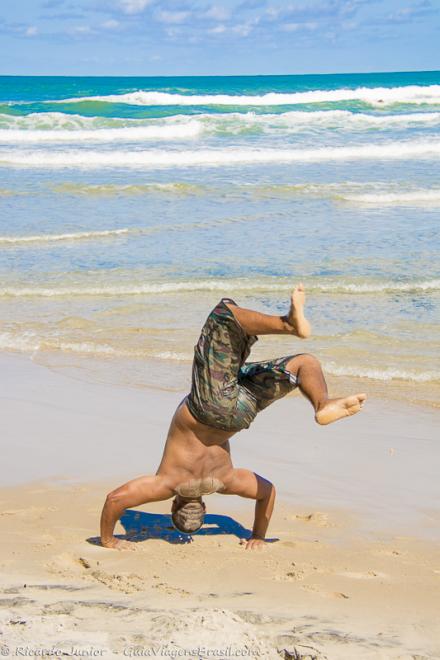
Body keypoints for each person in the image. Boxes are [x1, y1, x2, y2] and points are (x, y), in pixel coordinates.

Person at [100, 284, 366, 550]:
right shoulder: (167, 483)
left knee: (303, 364)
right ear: (173, 504)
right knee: (223, 314)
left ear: (202, 504)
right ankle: (293, 338)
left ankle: (322, 404)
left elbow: (267, 492)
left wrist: (258, 537)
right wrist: (108, 539)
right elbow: (115, 500)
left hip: (240, 413)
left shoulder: (226, 480)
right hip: (209, 406)